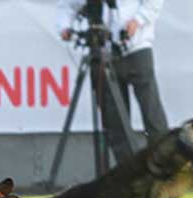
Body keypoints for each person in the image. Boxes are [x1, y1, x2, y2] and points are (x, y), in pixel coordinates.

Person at [56, 0, 169, 164]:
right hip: (103, 51)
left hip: (136, 46)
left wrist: (138, 20)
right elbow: (67, 5)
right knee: (114, 119)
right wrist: (65, 27)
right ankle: (129, 171)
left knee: (151, 111)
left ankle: (164, 164)